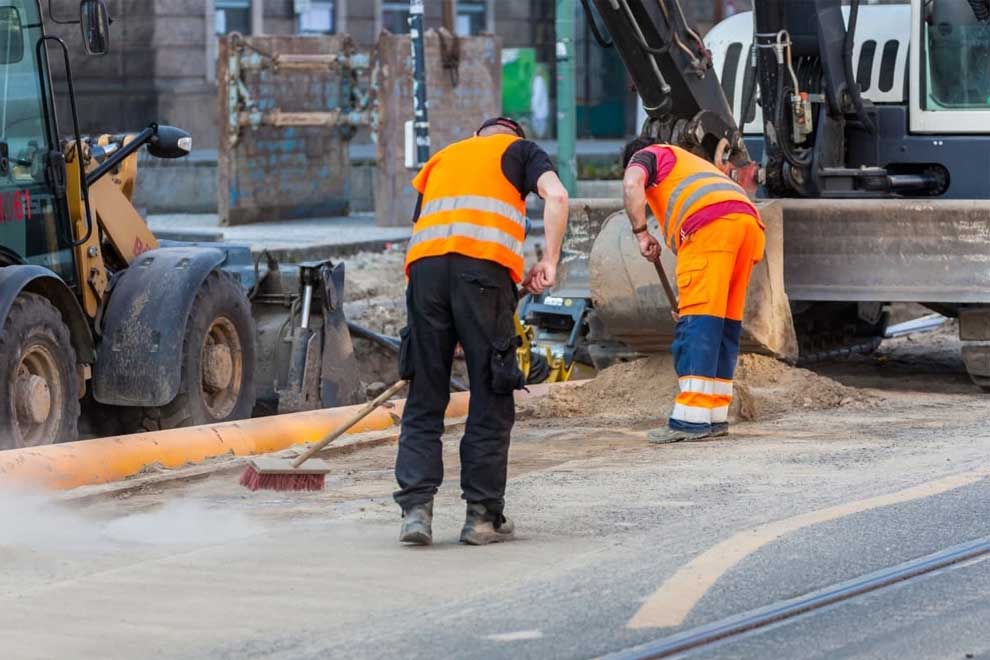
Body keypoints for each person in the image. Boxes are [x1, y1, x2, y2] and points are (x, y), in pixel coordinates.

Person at [395, 117, 570, 546]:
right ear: (514, 136)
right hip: (481, 279)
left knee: (425, 394)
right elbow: (558, 196)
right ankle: (482, 516)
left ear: (478, 134)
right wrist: (549, 260)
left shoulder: (443, 158)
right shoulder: (520, 152)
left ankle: (416, 510)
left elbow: (435, 234)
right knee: (491, 393)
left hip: (425, 276)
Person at [621, 137, 765, 444]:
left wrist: (640, 232)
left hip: (714, 226)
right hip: (747, 226)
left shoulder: (649, 155)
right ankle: (714, 414)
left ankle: (690, 418)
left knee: (699, 324)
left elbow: (632, 183)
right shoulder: (691, 167)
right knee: (723, 323)